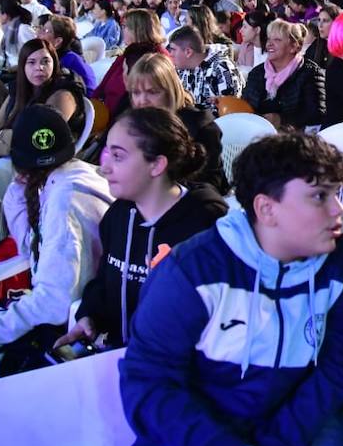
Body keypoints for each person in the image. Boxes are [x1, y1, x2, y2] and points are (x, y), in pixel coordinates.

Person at [118, 132, 343, 446]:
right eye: (320, 197)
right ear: (266, 209)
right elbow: (146, 381)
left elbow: (332, 371)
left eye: (338, 195)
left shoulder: (340, 264)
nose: (339, 214)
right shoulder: (191, 271)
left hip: (291, 434)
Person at [0, 106, 113, 374]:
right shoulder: (76, 176)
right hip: (89, 307)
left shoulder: (64, 199)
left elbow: (53, 300)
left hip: (83, 328)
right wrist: (18, 191)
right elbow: (32, 250)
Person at [57, 107, 227, 355]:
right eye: (107, 154)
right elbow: (106, 281)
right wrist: (90, 317)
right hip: (121, 363)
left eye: (118, 156)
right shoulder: (118, 216)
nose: (104, 168)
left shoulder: (205, 224)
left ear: (157, 164)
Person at [124, 53, 228, 194]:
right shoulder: (134, 124)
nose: (142, 100)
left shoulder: (200, 126)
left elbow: (211, 186)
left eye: (152, 92)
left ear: (169, 92)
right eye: (136, 93)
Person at [0, 38, 87, 156]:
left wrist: (5, 135)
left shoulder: (63, 94)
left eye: (45, 61)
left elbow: (38, 141)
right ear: (22, 66)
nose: (39, 67)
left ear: (54, 64)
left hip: (48, 165)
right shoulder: (20, 89)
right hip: (16, 159)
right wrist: (9, 150)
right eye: (31, 62)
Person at [240, 19, 326, 130]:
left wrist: (282, 120)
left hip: (296, 140)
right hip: (259, 136)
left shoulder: (311, 73)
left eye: (277, 40)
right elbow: (246, 108)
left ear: (294, 47)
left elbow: (318, 114)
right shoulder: (257, 73)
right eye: (269, 39)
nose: (269, 44)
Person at [94, 9, 166, 116]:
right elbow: (102, 88)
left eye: (124, 26)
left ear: (137, 29)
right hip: (106, 112)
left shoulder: (155, 59)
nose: (122, 30)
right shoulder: (129, 53)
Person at [167, 25, 242, 117]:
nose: (170, 54)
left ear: (188, 52)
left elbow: (231, 112)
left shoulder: (222, 68)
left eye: (173, 50)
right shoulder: (180, 70)